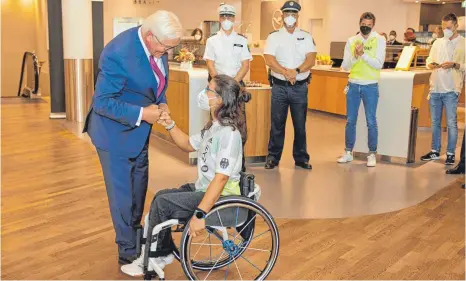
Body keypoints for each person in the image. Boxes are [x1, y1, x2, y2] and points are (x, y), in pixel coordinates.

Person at [120, 75, 249, 276]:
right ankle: (161, 252)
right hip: (204, 188)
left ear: (220, 99)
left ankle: (154, 257)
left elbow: (221, 179)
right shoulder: (214, 126)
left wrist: (200, 214)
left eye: (209, 90)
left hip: (223, 198)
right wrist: (170, 124)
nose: (203, 94)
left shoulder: (229, 134)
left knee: (163, 205)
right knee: (161, 196)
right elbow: (188, 144)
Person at [82, 11, 182, 265]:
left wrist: (163, 103)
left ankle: (137, 240)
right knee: (122, 196)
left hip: (139, 134)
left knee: (138, 191)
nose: (167, 52)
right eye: (165, 47)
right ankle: (128, 255)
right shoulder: (118, 52)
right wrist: (141, 113)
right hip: (113, 134)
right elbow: (102, 102)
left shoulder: (159, 46)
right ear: (150, 37)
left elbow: (155, 84)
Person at [263, 0, 316, 170]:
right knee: (277, 124)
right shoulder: (274, 36)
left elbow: (311, 59)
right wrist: (286, 71)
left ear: (297, 17)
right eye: (287, 14)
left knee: (300, 125)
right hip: (279, 86)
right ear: (282, 16)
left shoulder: (306, 36)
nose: (290, 17)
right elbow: (269, 59)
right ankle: (273, 157)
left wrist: (296, 71)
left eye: (293, 14)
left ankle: (301, 158)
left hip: (300, 87)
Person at [203, 3, 252, 171]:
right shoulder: (212, 41)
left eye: (229, 17)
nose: (226, 20)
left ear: (234, 19)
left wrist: (233, 84)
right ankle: (215, 164)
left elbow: (245, 65)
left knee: (240, 126)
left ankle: (239, 166)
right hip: (217, 89)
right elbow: (210, 63)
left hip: (236, 87)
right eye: (223, 17)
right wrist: (221, 84)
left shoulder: (241, 40)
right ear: (219, 19)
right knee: (217, 124)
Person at [337, 12, 386, 167]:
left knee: (371, 121)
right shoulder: (352, 40)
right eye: (364, 24)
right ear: (359, 23)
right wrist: (355, 56)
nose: (366, 27)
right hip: (353, 85)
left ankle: (372, 153)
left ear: (373, 26)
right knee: (350, 120)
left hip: (370, 85)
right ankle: (348, 152)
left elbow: (379, 64)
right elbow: (345, 65)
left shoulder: (379, 39)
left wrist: (363, 55)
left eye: (369, 25)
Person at [420, 13, 465, 165]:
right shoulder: (437, 43)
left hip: (452, 89)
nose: (446, 30)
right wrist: (430, 64)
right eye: (444, 27)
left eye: (449, 27)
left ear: (456, 26)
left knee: (451, 122)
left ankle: (451, 153)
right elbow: (428, 60)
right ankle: (435, 151)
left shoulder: (463, 43)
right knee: (435, 122)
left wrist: (455, 64)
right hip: (435, 88)